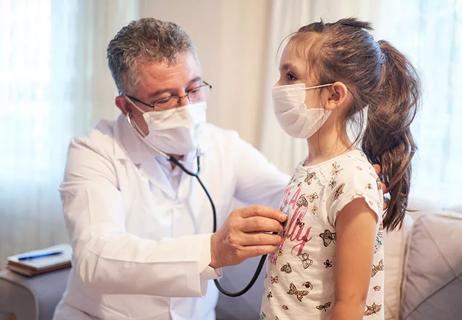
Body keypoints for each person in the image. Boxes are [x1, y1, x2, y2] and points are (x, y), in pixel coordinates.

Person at [53, 17, 290, 320]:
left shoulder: (223, 146)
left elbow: (288, 193)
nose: (186, 106)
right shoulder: (94, 152)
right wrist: (212, 250)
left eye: (194, 89)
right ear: (126, 107)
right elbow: (96, 256)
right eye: (164, 98)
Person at [260, 18, 420, 320]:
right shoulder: (309, 168)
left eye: (291, 76)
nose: (278, 87)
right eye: (281, 75)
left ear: (334, 95)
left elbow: (350, 305)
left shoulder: (353, 180)